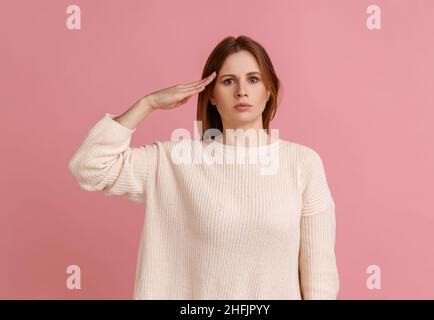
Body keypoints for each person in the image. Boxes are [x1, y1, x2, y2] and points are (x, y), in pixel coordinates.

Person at [68, 35, 339, 300]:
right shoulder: (175, 161)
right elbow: (91, 167)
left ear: (269, 90)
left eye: (253, 79)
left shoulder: (302, 164)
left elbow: (320, 279)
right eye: (228, 81)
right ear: (210, 95)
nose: (241, 90)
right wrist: (147, 104)